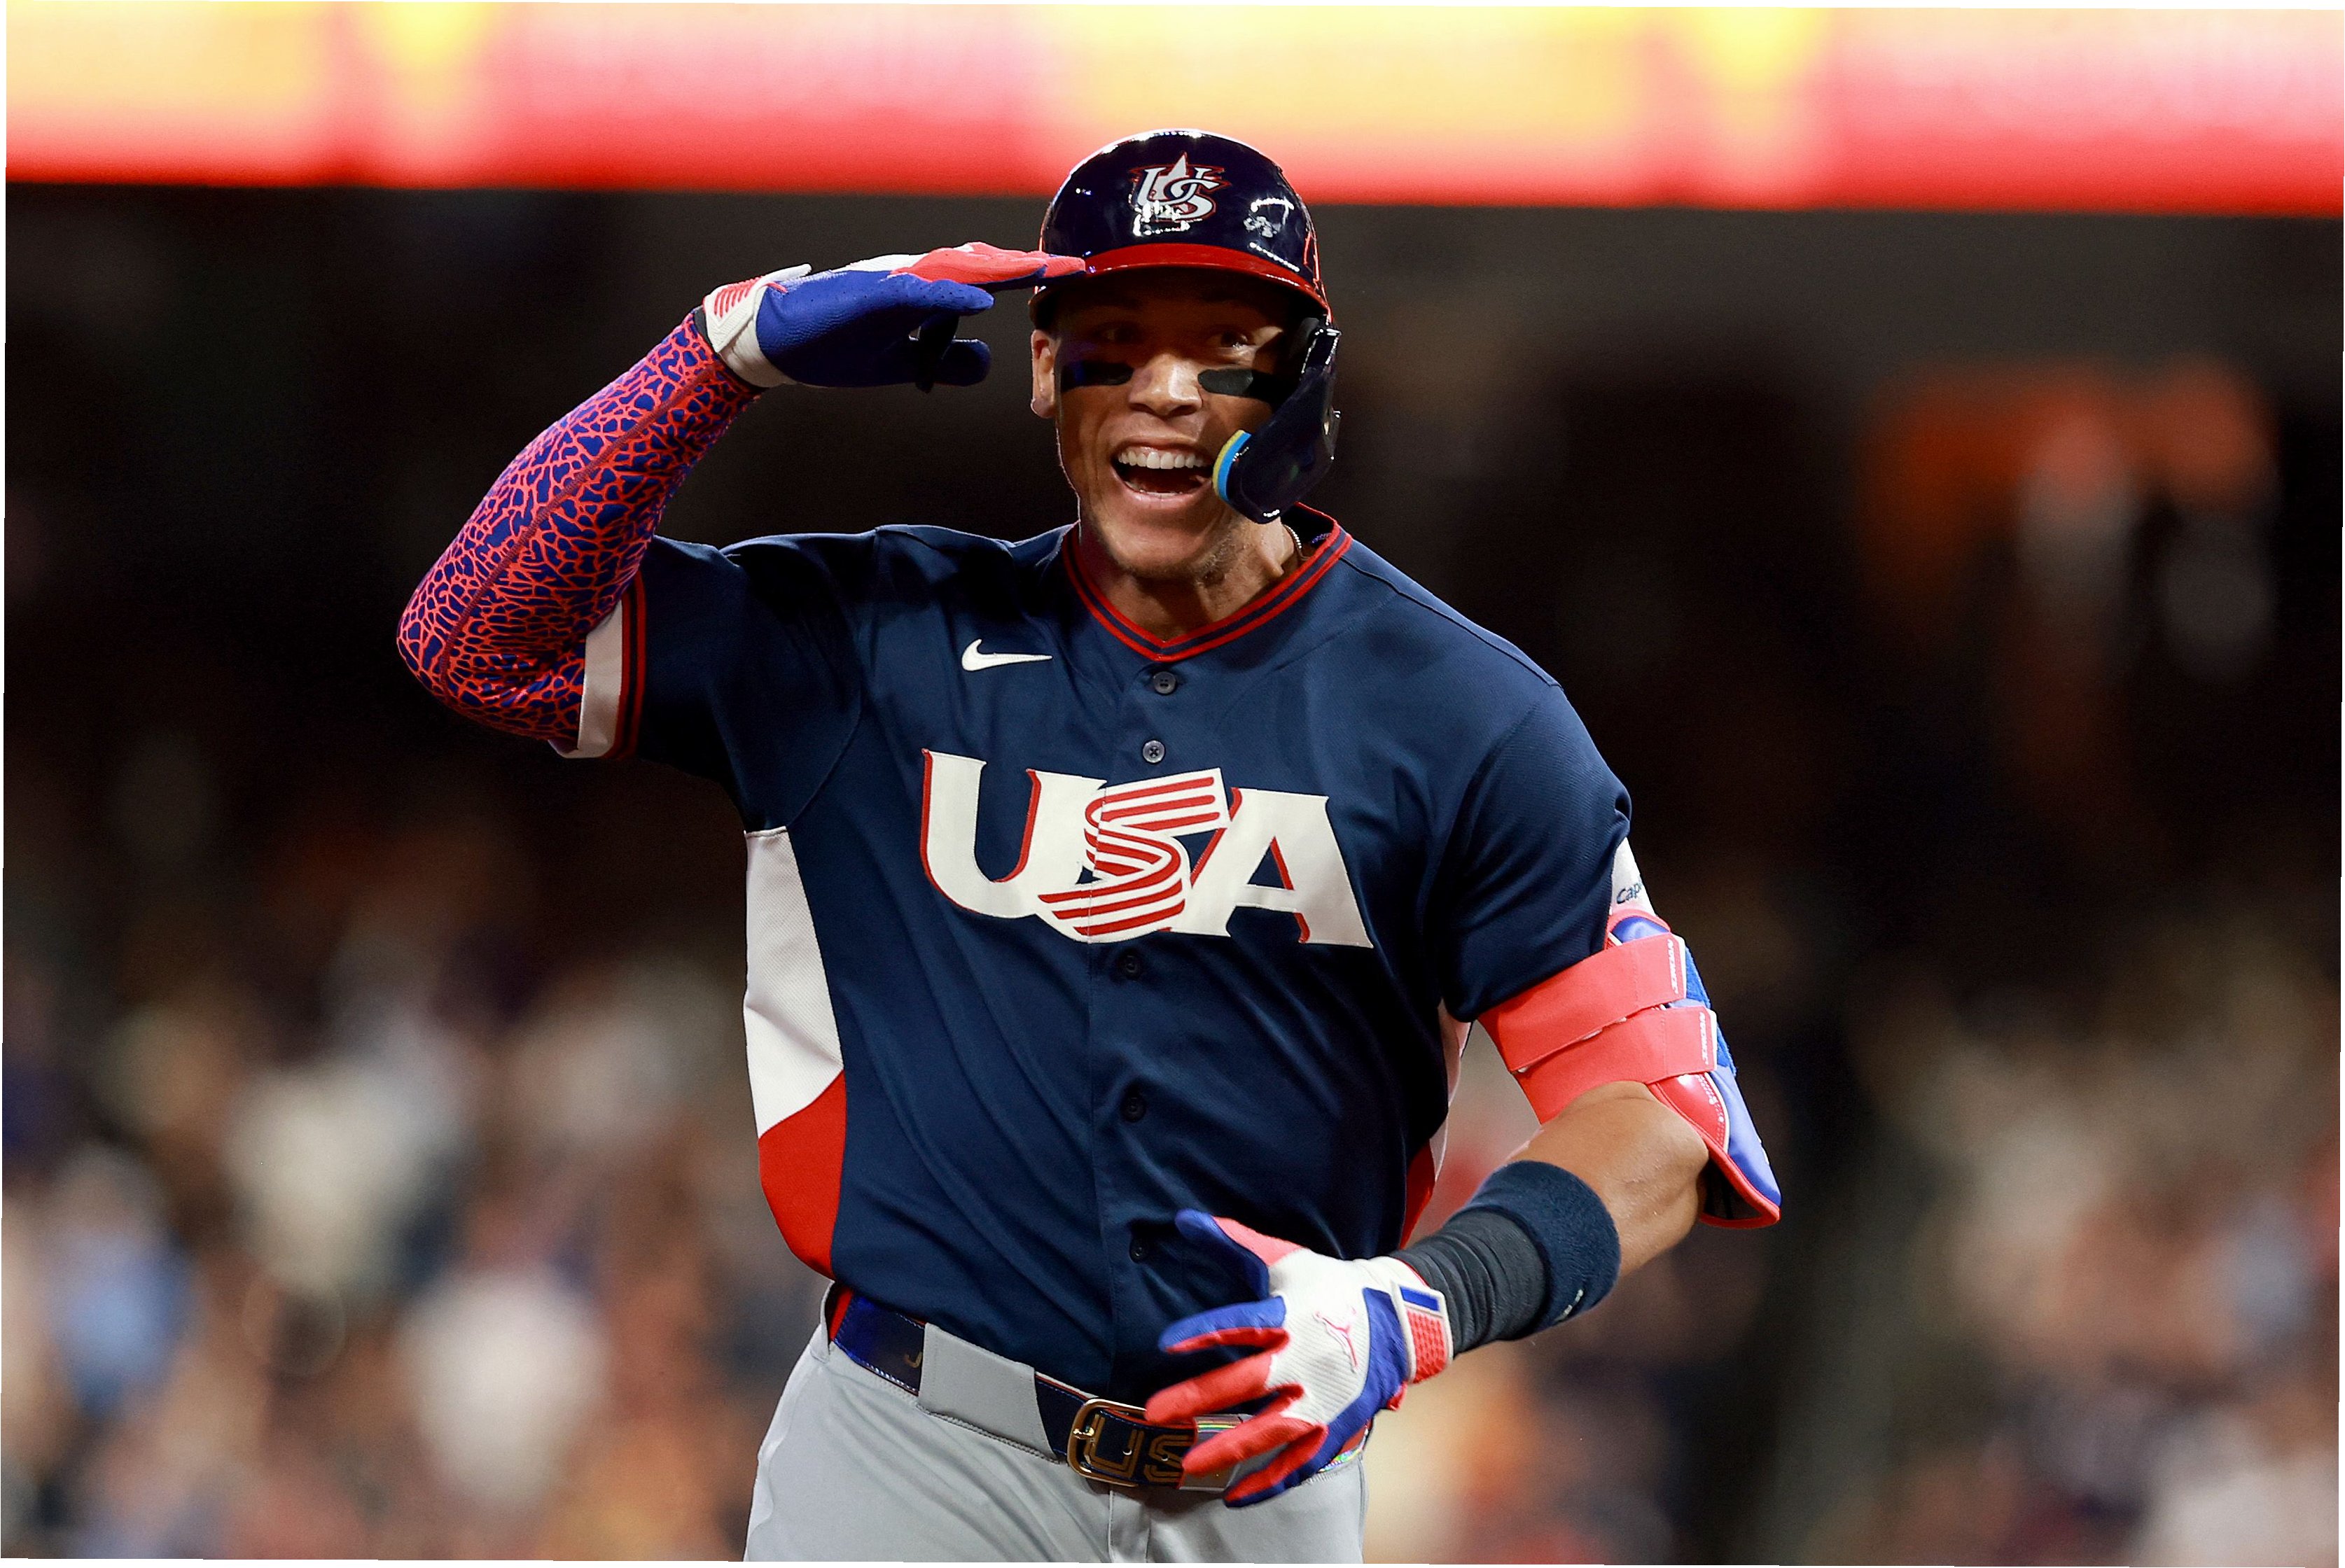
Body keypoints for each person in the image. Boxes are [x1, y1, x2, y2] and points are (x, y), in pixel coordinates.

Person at [398, 127, 1780, 1562]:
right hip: (908, 1455)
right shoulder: (877, 638)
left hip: (1260, 1475)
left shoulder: (1462, 714)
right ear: (1046, 374)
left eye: (1222, 347)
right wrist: (718, 355)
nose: (1163, 390)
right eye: (1112, 342)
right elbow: (472, 639)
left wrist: (1423, 1301)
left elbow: (1663, 1121)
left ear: (1305, 380)